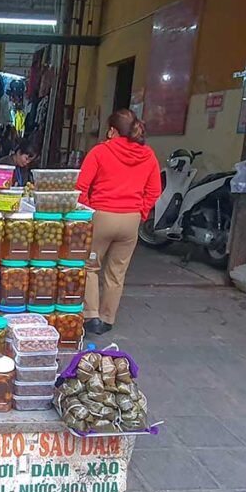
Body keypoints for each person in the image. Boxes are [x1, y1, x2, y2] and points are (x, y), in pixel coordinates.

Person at [75, 109, 160, 335]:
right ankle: (107, 318)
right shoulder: (148, 155)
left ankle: (90, 315)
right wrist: (141, 213)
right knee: (117, 272)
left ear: (112, 130)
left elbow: (80, 187)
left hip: (102, 217)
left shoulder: (100, 152)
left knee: (90, 266)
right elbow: (154, 191)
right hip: (131, 220)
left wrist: (89, 212)